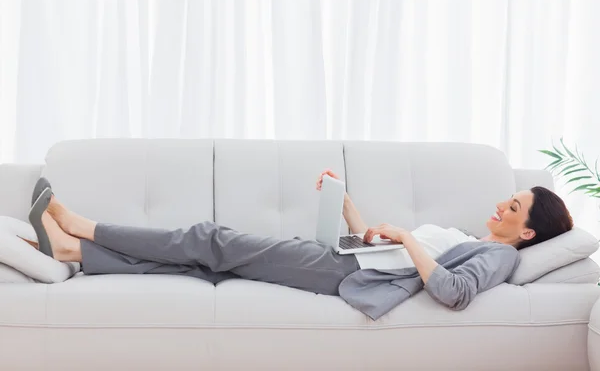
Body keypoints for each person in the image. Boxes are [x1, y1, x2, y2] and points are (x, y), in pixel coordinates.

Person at [27, 170, 573, 320]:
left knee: (208, 239)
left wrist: (406, 237)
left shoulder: (499, 256)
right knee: (206, 265)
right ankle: (77, 255)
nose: (503, 204)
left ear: (527, 232)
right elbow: (383, 251)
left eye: (515, 207)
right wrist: (347, 207)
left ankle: (79, 226)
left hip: (339, 274)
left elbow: (452, 292)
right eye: (510, 197)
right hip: (345, 257)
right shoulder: (473, 238)